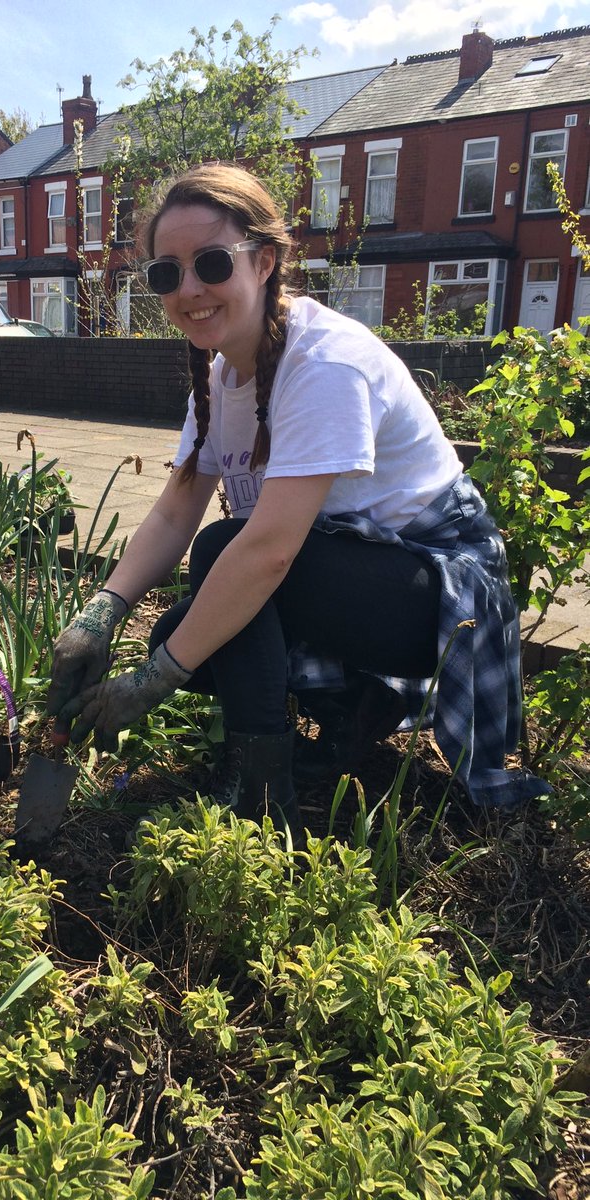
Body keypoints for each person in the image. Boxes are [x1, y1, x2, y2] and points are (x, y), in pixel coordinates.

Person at [46, 162, 550, 827]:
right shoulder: (220, 373)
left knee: (226, 560)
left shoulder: (324, 363)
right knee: (185, 631)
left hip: (440, 596)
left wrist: (152, 682)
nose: (188, 289)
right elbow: (174, 511)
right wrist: (102, 613)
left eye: (212, 264)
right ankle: (353, 715)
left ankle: (263, 796)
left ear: (265, 260)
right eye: (166, 273)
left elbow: (269, 554)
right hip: (358, 578)